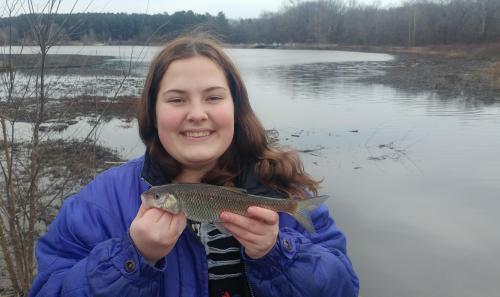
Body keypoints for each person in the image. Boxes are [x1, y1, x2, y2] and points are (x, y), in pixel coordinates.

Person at [29, 33, 359, 297]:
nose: (197, 113)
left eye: (214, 97)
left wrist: (279, 254)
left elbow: (343, 287)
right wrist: (133, 257)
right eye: (176, 99)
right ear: (153, 111)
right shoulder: (100, 203)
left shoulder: (284, 185)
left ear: (236, 108)